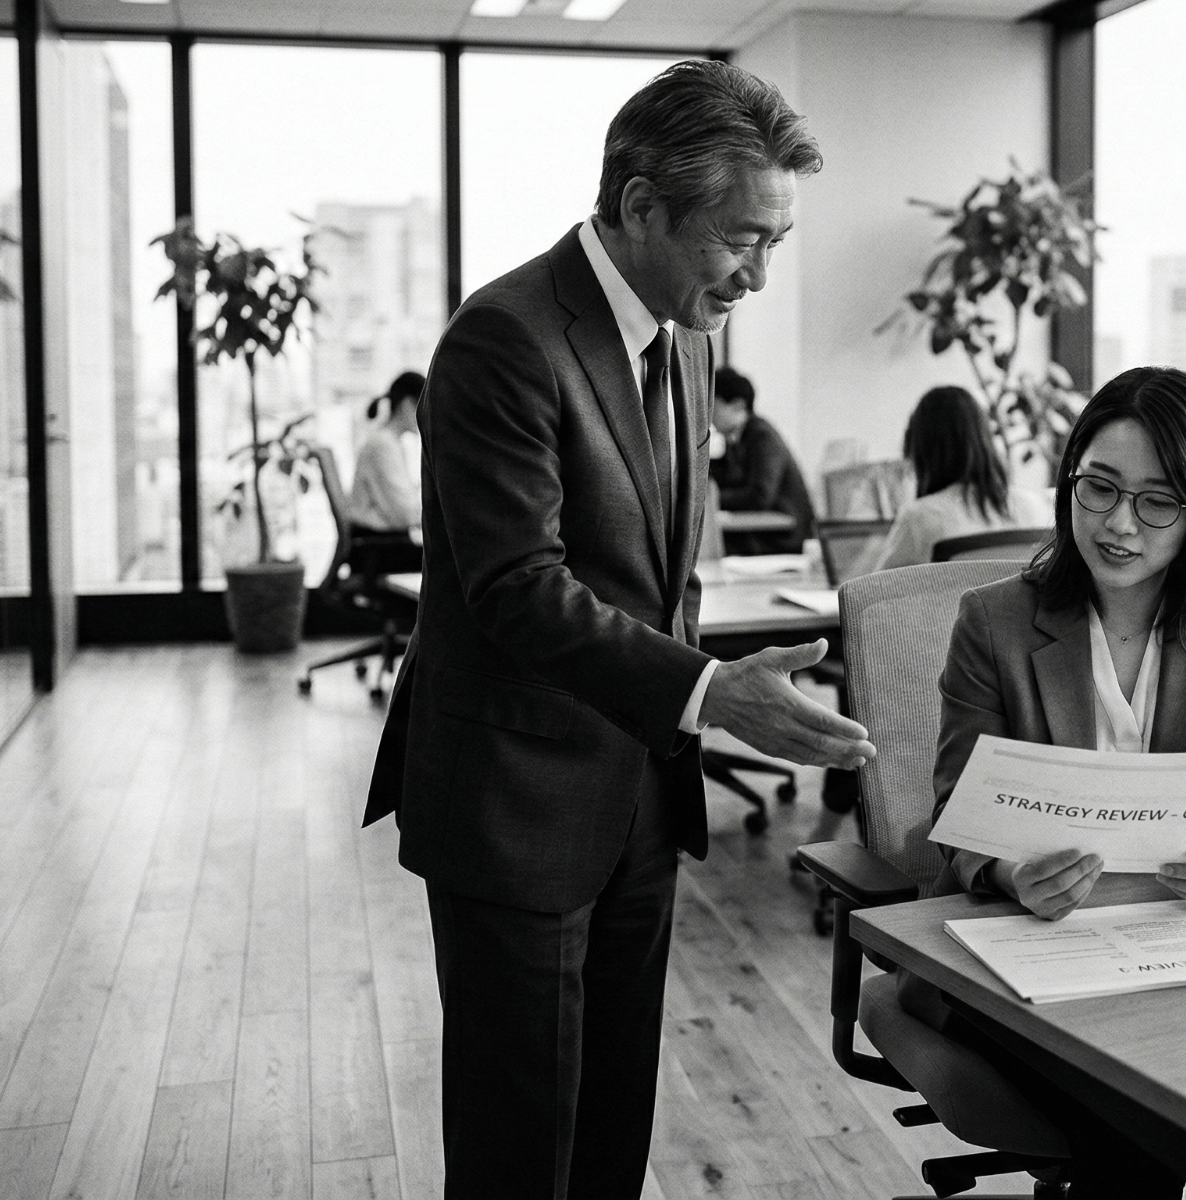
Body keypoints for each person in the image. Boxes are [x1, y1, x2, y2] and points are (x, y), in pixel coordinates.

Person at [361, 61, 875, 1199]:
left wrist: (690, 705)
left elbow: (654, 570)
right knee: (518, 1148)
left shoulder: (686, 336)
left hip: (640, 790)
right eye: (741, 239)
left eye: (777, 242)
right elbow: (518, 586)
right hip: (517, 799)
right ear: (642, 205)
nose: (758, 274)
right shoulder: (504, 337)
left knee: (609, 1135)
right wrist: (709, 691)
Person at [912, 365, 1186, 1196]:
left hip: (1178, 944)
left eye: (1158, 502)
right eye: (1099, 487)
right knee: (1148, 1105)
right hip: (1029, 948)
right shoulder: (996, 621)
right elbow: (956, 812)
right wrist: (1012, 872)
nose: (1119, 524)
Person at [874, 385, 1052, 569]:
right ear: (985, 438)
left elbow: (876, 586)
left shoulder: (919, 518)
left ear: (922, 450)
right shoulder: (1036, 506)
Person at [708, 365, 814, 554]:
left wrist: (711, 499)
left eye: (714, 406)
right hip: (767, 526)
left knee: (710, 543)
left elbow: (760, 496)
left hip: (785, 535)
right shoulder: (737, 439)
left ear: (738, 405)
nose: (709, 415)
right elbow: (725, 477)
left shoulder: (761, 437)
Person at [347, 370, 425, 575]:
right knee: (450, 561)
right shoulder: (383, 445)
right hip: (375, 549)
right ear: (408, 404)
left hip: (377, 545)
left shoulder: (388, 442)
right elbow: (404, 514)